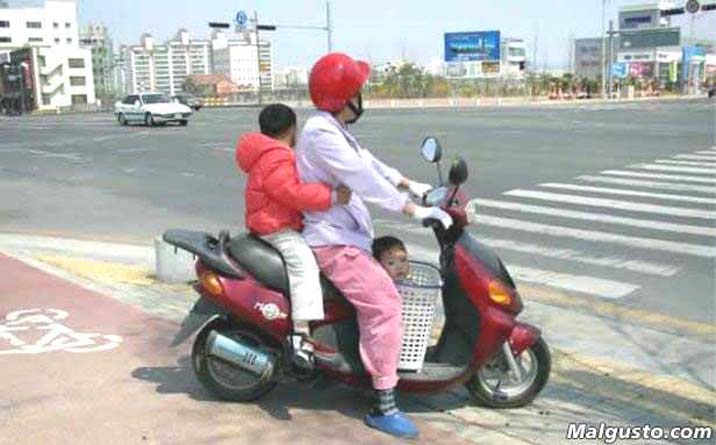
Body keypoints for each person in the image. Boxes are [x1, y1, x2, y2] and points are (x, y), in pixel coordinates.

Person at [295, 52, 453, 439]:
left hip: (346, 236)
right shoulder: (320, 133)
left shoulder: (331, 128)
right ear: (342, 97)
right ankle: (384, 404)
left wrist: (412, 185)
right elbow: (361, 177)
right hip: (334, 243)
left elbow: (369, 162)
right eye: (356, 91)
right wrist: (412, 210)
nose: (360, 97)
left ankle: (367, 370)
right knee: (385, 305)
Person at [235, 103, 352, 369]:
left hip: (274, 223)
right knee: (304, 264)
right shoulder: (277, 157)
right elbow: (292, 193)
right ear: (292, 129)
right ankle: (301, 334)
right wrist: (333, 197)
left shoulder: (268, 154)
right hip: (276, 228)